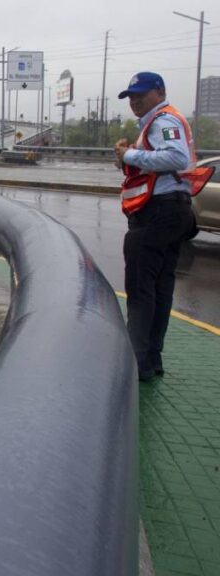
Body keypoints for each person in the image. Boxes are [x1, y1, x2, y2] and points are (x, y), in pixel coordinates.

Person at [113, 72, 197, 382]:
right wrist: (127, 158)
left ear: (160, 92)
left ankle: (136, 363)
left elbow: (176, 157)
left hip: (158, 214)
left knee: (140, 288)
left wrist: (131, 154)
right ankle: (151, 358)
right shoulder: (153, 124)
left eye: (141, 94)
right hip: (170, 212)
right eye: (131, 96)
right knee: (160, 287)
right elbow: (153, 165)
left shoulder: (163, 120)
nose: (134, 101)